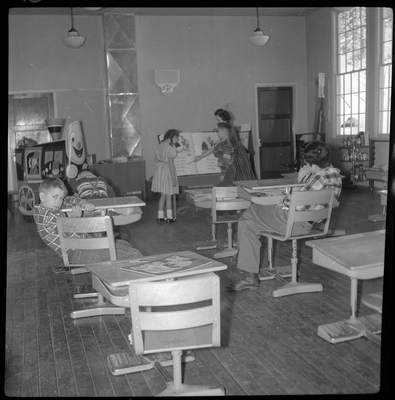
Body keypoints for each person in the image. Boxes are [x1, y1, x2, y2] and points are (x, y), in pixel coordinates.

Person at [228, 141, 343, 291]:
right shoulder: (336, 176)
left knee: (251, 211)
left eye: (306, 164)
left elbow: (296, 203)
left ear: (313, 166)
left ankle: (246, 264)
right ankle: (247, 268)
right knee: (249, 224)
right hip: (311, 224)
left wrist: (286, 196)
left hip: (294, 223)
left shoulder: (319, 177)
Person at [33, 177, 143, 273]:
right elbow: (71, 235)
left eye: (60, 198)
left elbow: (69, 199)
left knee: (125, 244)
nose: (59, 202)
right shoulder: (47, 216)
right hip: (78, 252)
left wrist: (82, 202)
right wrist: (75, 219)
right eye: (55, 197)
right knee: (134, 255)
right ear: (42, 196)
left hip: (84, 247)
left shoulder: (48, 208)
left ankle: (116, 277)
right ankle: (123, 287)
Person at [214, 108, 256, 181]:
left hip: (237, 155)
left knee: (241, 177)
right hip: (235, 153)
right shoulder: (226, 127)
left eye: (218, 120)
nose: (217, 122)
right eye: (216, 120)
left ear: (224, 120)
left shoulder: (227, 129)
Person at [152, 129, 180, 223]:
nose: (178, 139)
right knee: (169, 196)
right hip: (167, 171)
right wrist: (173, 179)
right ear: (172, 137)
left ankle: (160, 216)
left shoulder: (159, 146)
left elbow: (156, 160)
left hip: (160, 170)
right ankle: (169, 217)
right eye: (177, 137)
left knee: (162, 195)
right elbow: (171, 165)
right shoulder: (170, 148)